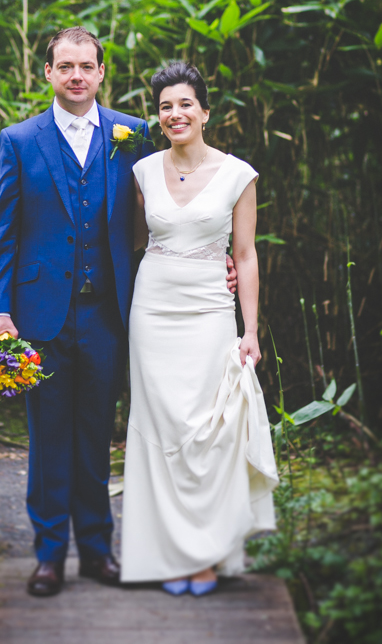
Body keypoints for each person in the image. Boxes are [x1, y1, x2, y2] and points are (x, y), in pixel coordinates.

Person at [0, 29, 237, 597]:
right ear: (46, 72)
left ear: (101, 73)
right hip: (39, 316)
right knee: (48, 440)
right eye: (64, 66)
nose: (76, 75)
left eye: (86, 66)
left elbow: (173, 202)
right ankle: (49, 557)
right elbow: (2, 231)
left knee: (97, 436)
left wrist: (214, 255)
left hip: (111, 316)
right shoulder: (20, 141)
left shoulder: (134, 136)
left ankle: (98, 551)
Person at [120, 61, 278, 596]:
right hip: (154, 310)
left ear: (205, 112)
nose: (175, 113)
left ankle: (207, 554)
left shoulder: (239, 174)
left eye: (185, 103)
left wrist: (249, 330)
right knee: (159, 426)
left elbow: (246, 255)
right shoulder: (141, 171)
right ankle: (165, 553)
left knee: (207, 429)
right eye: (165, 106)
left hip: (212, 310)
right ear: (157, 116)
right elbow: (136, 242)